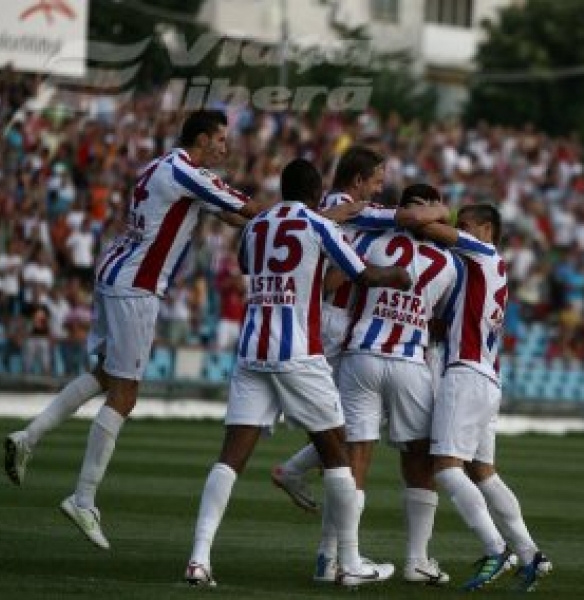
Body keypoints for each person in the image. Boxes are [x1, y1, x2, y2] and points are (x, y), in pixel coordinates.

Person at [3, 110, 277, 549]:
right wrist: (303, 221)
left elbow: (229, 216)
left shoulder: (162, 166)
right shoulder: (191, 173)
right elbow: (245, 208)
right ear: (203, 139)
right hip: (138, 287)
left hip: (113, 273)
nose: (226, 147)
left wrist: (255, 221)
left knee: (105, 376)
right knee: (125, 394)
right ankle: (83, 497)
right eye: (221, 139)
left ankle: (28, 435)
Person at [184, 158, 410, 588]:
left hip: (252, 350)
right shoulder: (319, 224)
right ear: (317, 189)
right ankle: (349, 563)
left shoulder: (256, 225)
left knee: (230, 458)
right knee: (338, 452)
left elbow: (251, 267)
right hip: (299, 353)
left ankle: (198, 560)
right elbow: (361, 274)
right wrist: (398, 276)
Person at [269, 148, 447, 519]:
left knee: (350, 421)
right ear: (357, 180)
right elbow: (409, 219)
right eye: (376, 182)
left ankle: (297, 469)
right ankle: (296, 472)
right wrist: (444, 213)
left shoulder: (328, 207)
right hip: (333, 318)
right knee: (345, 425)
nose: (378, 191)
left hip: (330, 316)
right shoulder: (348, 207)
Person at [420, 203, 553, 592]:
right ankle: (530, 554)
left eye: (465, 226)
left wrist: (424, 214)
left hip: (466, 375)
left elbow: (434, 232)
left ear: (487, 230)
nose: (458, 231)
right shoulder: (484, 271)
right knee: (483, 473)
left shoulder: (484, 253)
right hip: (487, 377)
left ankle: (496, 550)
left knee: (445, 467)